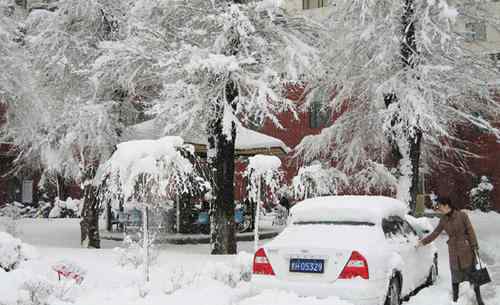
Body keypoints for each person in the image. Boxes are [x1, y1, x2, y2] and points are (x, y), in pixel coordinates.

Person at [417, 196, 484, 305]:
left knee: (473, 276)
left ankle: (479, 300)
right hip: (453, 251)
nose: (439, 208)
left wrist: (474, 245)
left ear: (447, 205)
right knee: (455, 277)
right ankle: (455, 300)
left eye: (440, 206)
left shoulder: (462, 215)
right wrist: (423, 242)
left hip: (465, 249)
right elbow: (435, 233)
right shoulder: (443, 220)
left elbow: (470, 230)